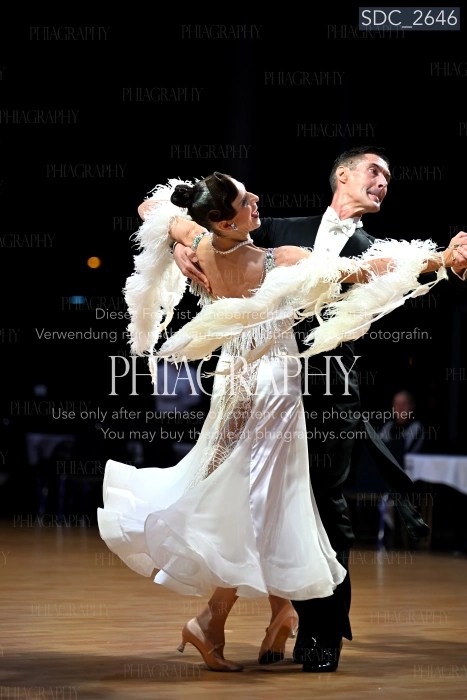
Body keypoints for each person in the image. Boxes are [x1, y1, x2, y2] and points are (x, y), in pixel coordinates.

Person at [163, 147, 467, 672]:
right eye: (375, 170)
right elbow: (198, 222)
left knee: (323, 504)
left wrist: (445, 260)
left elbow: (387, 270)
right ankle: (270, 614)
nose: (384, 181)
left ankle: (320, 632)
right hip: (262, 385)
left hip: (329, 393)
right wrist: (179, 247)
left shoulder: (373, 247)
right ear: (342, 175)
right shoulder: (281, 229)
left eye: (389, 177)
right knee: (258, 500)